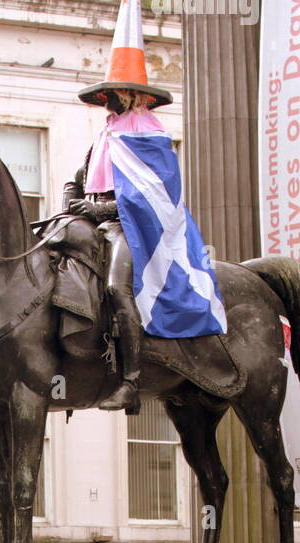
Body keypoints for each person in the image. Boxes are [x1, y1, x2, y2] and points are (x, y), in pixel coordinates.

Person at [63, 0, 225, 415]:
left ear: (134, 94)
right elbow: (79, 179)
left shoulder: (148, 134)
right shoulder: (105, 134)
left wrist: (99, 211)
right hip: (90, 220)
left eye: (113, 93)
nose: (107, 100)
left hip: (129, 227)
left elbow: (151, 194)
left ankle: (131, 380)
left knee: (117, 286)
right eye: (104, 95)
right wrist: (70, 203)